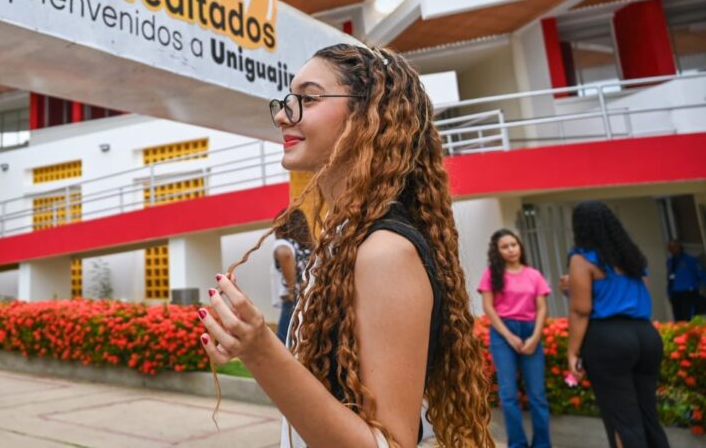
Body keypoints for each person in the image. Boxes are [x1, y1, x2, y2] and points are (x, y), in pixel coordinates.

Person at [199, 44, 494, 447]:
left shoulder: (384, 251)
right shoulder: (343, 240)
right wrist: (247, 345)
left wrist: (262, 351)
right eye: (287, 101)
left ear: (369, 114)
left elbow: (389, 443)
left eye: (308, 98)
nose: (284, 115)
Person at [566, 201, 669, 448]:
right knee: (648, 415)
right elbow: (635, 293)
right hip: (645, 334)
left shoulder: (582, 258)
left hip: (609, 338)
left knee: (622, 419)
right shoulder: (631, 255)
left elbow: (581, 310)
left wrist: (572, 352)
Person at [478, 229, 551, 448]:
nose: (511, 250)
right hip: (503, 333)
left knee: (537, 395)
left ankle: (542, 444)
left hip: (531, 332)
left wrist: (534, 338)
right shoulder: (491, 274)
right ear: (497, 251)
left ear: (520, 246)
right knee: (508, 395)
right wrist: (509, 337)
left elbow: (542, 308)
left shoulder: (533, 275)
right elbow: (488, 309)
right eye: (505, 247)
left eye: (514, 245)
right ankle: (517, 444)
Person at [272, 208, 312, 343]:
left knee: (284, 344)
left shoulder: (282, 243)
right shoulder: (308, 247)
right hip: (310, 299)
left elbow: (285, 254)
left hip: (292, 300)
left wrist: (291, 288)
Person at [666, 240, 704, 321]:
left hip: (689, 293)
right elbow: (670, 278)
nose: (672, 249)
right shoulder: (670, 262)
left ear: (679, 247)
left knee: (689, 317)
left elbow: (700, 274)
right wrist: (669, 293)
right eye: (670, 247)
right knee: (679, 319)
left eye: (674, 247)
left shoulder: (689, 260)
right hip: (676, 294)